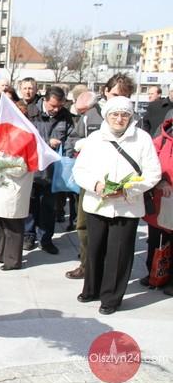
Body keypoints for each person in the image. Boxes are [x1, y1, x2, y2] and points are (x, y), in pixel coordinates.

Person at [73, 96, 161, 315]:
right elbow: (79, 170)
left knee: (119, 253)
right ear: (107, 115)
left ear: (131, 117)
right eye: (115, 114)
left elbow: (153, 173)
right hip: (97, 202)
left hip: (127, 205)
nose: (119, 119)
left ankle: (111, 298)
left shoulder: (142, 139)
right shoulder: (95, 138)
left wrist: (128, 190)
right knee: (94, 249)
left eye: (124, 115)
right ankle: (91, 288)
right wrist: (97, 185)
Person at [23, 86, 74, 254]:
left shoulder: (65, 116)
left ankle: (45, 239)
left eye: (59, 106)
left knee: (48, 206)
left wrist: (67, 154)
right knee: (31, 204)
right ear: (44, 100)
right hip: (33, 166)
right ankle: (28, 236)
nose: (56, 109)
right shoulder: (30, 112)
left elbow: (71, 137)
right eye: (53, 106)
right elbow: (26, 137)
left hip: (53, 169)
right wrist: (46, 142)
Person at [63, 91, 103, 279]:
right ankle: (88, 264)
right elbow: (73, 139)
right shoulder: (87, 117)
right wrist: (77, 147)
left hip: (107, 182)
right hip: (89, 179)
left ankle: (92, 266)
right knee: (84, 224)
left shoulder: (99, 115)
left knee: (89, 225)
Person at [140, 111, 173, 295]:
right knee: (155, 240)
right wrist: (160, 181)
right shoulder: (160, 140)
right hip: (160, 201)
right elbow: (148, 165)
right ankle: (154, 274)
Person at [0, 149, 33, 271]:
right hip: (2, 189)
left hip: (14, 190)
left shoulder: (25, 147)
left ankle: (13, 260)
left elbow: (19, 169)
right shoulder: (6, 146)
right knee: (1, 224)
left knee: (13, 226)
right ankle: (0, 254)